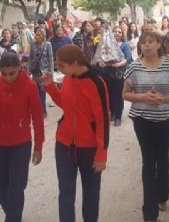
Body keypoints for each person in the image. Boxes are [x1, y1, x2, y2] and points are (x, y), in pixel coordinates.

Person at [40, 45, 109, 222]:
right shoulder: (68, 78)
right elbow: (66, 105)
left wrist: (101, 153)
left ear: (76, 63)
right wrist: (50, 87)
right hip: (64, 145)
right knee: (66, 191)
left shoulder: (97, 83)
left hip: (90, 148)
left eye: (61, 65)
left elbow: (103, 121)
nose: (58, 68)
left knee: (91, 193)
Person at [122, 30, 169, 222]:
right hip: (142, 119)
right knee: (148, 162)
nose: (147, 45)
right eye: (143, 43)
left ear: (159, 44)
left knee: (162, 158)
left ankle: (163, 194)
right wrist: (143, 97)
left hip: (165, 118)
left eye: (151, 42)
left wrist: (164, 99)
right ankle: (149, 213)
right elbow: (125, 94)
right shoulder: (134, 67)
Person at [0, 52, 45, 222]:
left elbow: (38, 118)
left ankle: (13, 218)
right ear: (0, 70)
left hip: (21, 145)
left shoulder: (30, 86)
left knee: (16, 187)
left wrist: (39, 147)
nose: (8, 78)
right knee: (0, 186)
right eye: (4, 74)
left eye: (12, 73)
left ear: (20, 69)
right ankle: (13, 214)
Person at [99, 26, 131, 127]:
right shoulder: (106, 45)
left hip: (118, 74)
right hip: (107, 73)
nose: (117, 33)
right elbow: (100, 56)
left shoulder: (124, 45)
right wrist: (101, 63)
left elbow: (128, 57)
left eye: (119, 32)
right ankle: (112, 113)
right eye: (115, 32)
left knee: (118, 95)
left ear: (122, 34)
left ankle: (118, 116)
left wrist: (119, 64)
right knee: (109, 93)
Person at [28, 28, 54, 116]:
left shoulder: (48, 44)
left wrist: (51, 72)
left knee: (42, 92)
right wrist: (29, 69)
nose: (37, 36)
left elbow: (51, 59)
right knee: (36, 92)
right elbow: (30, 58)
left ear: (43, 36)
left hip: (44, 71)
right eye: (36, 34)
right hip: (35, 72)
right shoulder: (33, 44)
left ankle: (43, 111)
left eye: (39, 35)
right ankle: (36, 110)